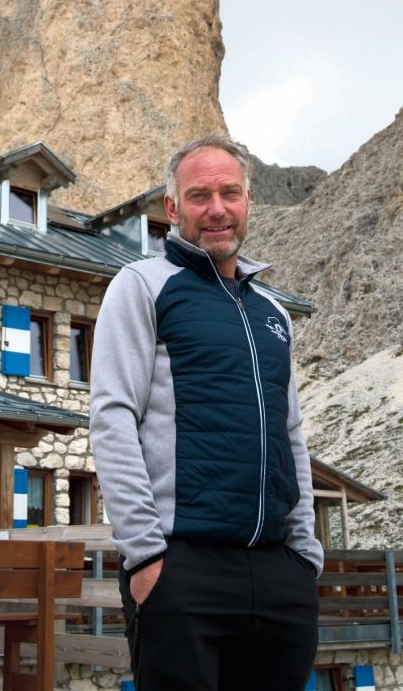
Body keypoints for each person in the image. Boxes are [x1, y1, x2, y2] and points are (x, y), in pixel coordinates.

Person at [89, 134, 322, 691]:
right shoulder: (142, 286)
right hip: (181, 568)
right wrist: (146, 558)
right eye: (199, 196)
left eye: (229, 193)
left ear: (248, 201)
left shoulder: (272, 313)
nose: (216, 209)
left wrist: (305, 555)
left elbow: (291, 434)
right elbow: (112, 416)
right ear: (173, 208)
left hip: (278, 573)